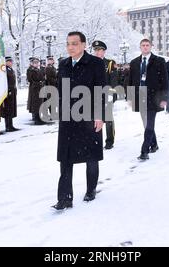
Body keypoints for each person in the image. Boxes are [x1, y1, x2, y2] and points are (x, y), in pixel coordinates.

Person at [52, 31, 106, 210]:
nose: (70, 47)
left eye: (74, 43)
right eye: (68, 43)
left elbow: (100, 90)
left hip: (89, 115)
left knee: (91, 155)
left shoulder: (95, 63)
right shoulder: (64, 64)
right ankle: (65, 198)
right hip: (68, 118)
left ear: (84, 45)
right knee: (65, 157)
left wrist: (100, 116)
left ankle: (91, 189)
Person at [128, 39, 168, 161]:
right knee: (146, 124)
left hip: (153, 96)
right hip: (140, 95)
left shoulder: (159, 61)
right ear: (140, 47)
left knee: (150, 123)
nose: (145, 47)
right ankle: (154, 144)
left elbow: (164, 80)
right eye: (143, 45)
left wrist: (164, 98)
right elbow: (130, 81)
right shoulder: (134, 62)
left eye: (147, 45)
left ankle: (144, 150)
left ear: (151, 46)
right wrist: (130, 97)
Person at [92, 40, 118, 150]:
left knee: (107, 118)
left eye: (99, 50)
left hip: (107, 95)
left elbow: (113, 80)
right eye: (96, 50)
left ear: (104, 51)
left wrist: (111, 94)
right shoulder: (90, 63)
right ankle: (96, 139)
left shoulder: (110, 63)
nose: (97, 52)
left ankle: (109, 141)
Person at [1, 56, 20, 132]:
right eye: (9, 61)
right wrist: (8, 90)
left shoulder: (10, 69)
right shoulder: (5, 70)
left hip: (12, 91)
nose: (11, 63)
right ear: (6, 62)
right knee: (7, 110)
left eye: (11, 61)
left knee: (11, 109)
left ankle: (11, 125)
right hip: (8, 92)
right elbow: (4, 81)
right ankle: (8, 126)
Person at [26, 57, 46, 125]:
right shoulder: (30, 70)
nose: (36, 64)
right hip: (35, 89)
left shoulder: (38, 69)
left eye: (37, 62)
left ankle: (40, 118)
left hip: (39, 89)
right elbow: (30, 80)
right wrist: (39, 83)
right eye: (35, 62)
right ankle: (37, 119)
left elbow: (42, 78)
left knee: (40, 104)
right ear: (32, 63)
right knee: (36, 105)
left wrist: (42, 82)